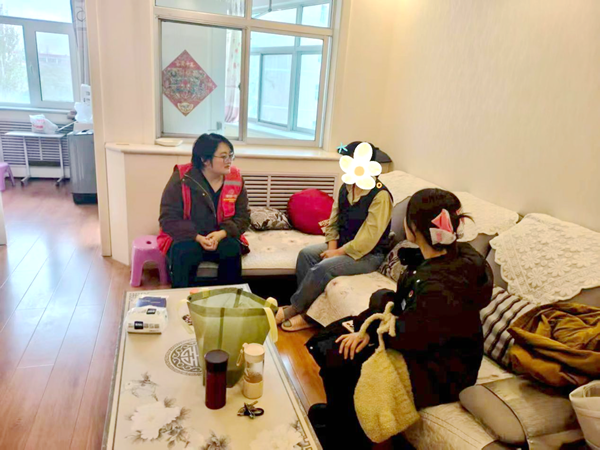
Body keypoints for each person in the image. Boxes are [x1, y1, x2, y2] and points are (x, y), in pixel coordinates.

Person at [307, 188, 494, 449]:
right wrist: (372, 317)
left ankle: (347, 437)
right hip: (430, 346)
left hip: (443, 371)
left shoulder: (440, 283)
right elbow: (409, 310)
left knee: (341, 354)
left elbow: (411, 335)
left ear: (413, 227)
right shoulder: (450, 258)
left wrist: (371, 332)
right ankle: (338, 415)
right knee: (335, 334)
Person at [276, 141, 394, 331]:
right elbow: (334, 221)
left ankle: (296, 311)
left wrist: (337, 253)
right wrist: (332, 248)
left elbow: (368, 239)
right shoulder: (347, 186)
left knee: (322, 269)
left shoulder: (380, 195)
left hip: (368, 255)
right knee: (306, 255)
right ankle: (307, 308)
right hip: (342, 245)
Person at [157, 133, 250, 288]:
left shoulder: (235, 178)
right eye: (223, 156)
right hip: (190, 237)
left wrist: (221, 234)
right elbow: (168, 219)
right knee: (183, 252)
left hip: (221, 236)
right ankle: (184, 299)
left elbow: (243, 217)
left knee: (232, 249)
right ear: (205, 160)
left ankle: (227, 298)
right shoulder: (182, 177)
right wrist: (198, 237)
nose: (229, 161)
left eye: (231, 155)